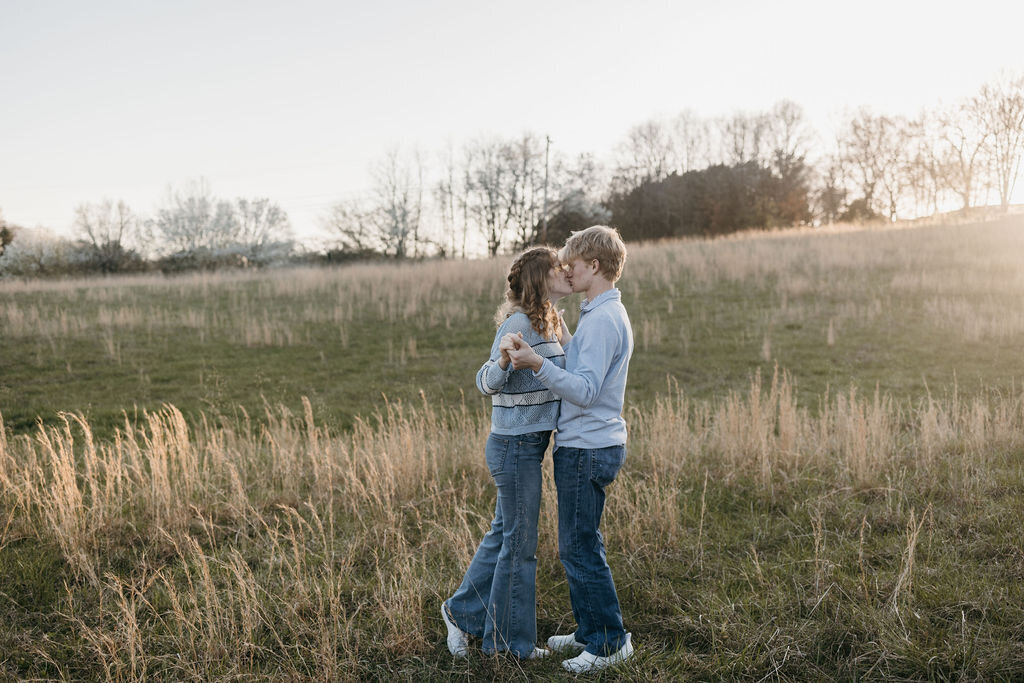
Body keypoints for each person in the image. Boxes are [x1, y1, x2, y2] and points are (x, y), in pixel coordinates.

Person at [504, 225, 635, 673]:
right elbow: (585, 371)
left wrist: (539, 363)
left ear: (594, 266)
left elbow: (584, 389)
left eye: (573, 265)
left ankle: (607, 643)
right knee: (580, 542)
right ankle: (589, 629)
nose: (567, 271)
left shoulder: (602, 320)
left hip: (587, 447)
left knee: (579, 548)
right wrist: (560, 341)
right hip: (589, 442)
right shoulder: (600, 314)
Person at [442, 246, 573, 660]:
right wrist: (501, 362)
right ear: (540, 279)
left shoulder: (548, 321)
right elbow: (484, 381)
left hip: (527, 447)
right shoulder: (518, 323)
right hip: (513, 448)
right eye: (557, 268)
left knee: (504, 535)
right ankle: (509, 644)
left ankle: (460, 612)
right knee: (520, 544)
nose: (565, 271)